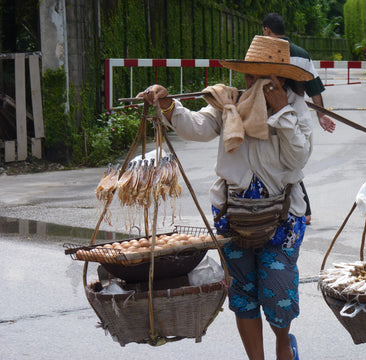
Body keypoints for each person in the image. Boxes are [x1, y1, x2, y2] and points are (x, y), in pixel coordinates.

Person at [138, 35, 312, 360]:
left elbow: (297, 159)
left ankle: (283, 346)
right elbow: (197, 128)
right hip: (232, 217)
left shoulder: (296, 109)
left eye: (264, 75)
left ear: (281, 77)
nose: (254, 82)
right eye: (250, 75)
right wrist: (168, 105)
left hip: (283, 219)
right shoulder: (229, 104)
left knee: (278, 293)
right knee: (243, 296)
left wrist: (282, 111)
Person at [263, 12, 336, 226]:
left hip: (270, 117)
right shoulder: (301, 54)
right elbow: (314, 87)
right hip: (297, 119)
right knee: (291, 163)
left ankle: (295, 210)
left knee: (275, 165)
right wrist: (321, 116)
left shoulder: (262, 52)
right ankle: (304, 211)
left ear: (267, 30)